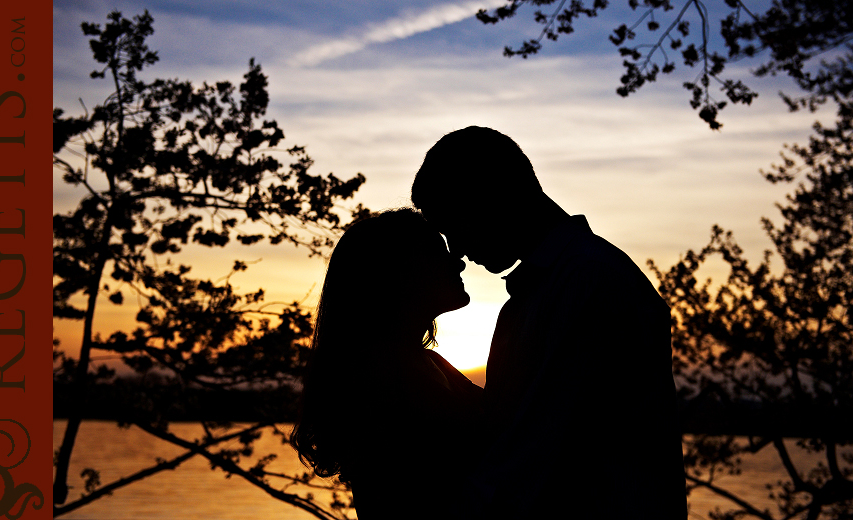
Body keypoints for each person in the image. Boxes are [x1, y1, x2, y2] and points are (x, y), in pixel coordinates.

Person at [411, 126, 687, 518]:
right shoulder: (541, 293)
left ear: (491, 197)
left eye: (456, 225)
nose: (458, 250)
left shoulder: (589, 282)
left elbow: (534, 454)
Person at [290, 208, 485, 519]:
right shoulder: (373, 377)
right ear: (400, 272)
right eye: (438, 253)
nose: (458, 261)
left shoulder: (427, 361)